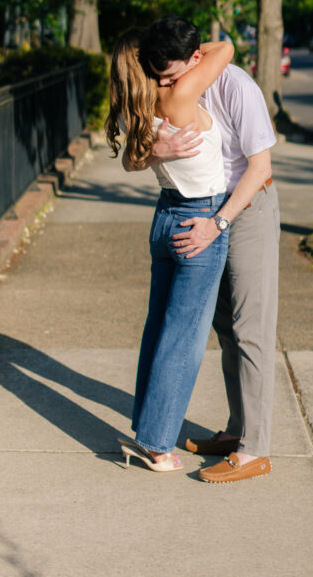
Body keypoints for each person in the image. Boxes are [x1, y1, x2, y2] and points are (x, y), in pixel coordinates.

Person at [137, 15, 279, 483]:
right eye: (159, 77)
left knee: (250, 326)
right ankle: (237, 429)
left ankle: (255, 448)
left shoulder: (238, 88)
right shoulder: (183, 87)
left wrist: (216, 225)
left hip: (246, 208)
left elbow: (259, 169)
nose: (165, 85)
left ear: (198, 59)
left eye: (173, 76)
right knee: (224, 327)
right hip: (206, 213)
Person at [105, 27, 234, 472]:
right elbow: (225, 48)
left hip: (164, 220)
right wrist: (179, 58)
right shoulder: (179, 95)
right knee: (183, 341)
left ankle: (147, 428)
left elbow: (132, 160)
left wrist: (155, 149)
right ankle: (158, 445)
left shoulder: (131, 109)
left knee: (158, 331)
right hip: (198, 220)